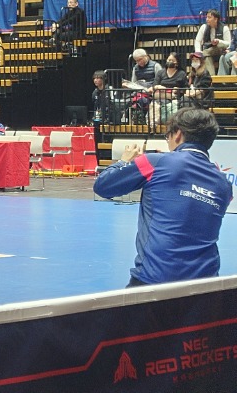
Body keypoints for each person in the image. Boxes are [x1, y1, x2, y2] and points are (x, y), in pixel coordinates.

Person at [94, 107, 232, 286]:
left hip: (155, 280)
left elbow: (103, 186)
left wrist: (124, 161)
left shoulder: (155, 162)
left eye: (167, 136)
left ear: (178, 134)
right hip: (205, 285)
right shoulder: (224, 184)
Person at [147, 51, 187, 125]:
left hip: (174, 97)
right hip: (161, 95)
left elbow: (186, 88)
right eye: (169, 60)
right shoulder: (161, 72)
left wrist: (178, 90)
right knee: (154, 105)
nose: (170, 62)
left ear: (177, 63)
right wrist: (158, 87)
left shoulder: (181, 73)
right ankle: (154, 124)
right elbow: (154, 85)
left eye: (172, 60)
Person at [194, 9, 231, 75]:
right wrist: (198, 51)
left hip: (221, 51)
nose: (207, 19)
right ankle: (212, 78)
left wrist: (218, 41)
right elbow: (197, 41)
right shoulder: (204, 27)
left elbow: (229, 44)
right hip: (209, 51)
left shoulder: (224, 28)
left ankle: (204, 53)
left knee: (218, 46)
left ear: (216, 19)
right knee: (207, 57)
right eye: (207, 17)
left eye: (209, 17)